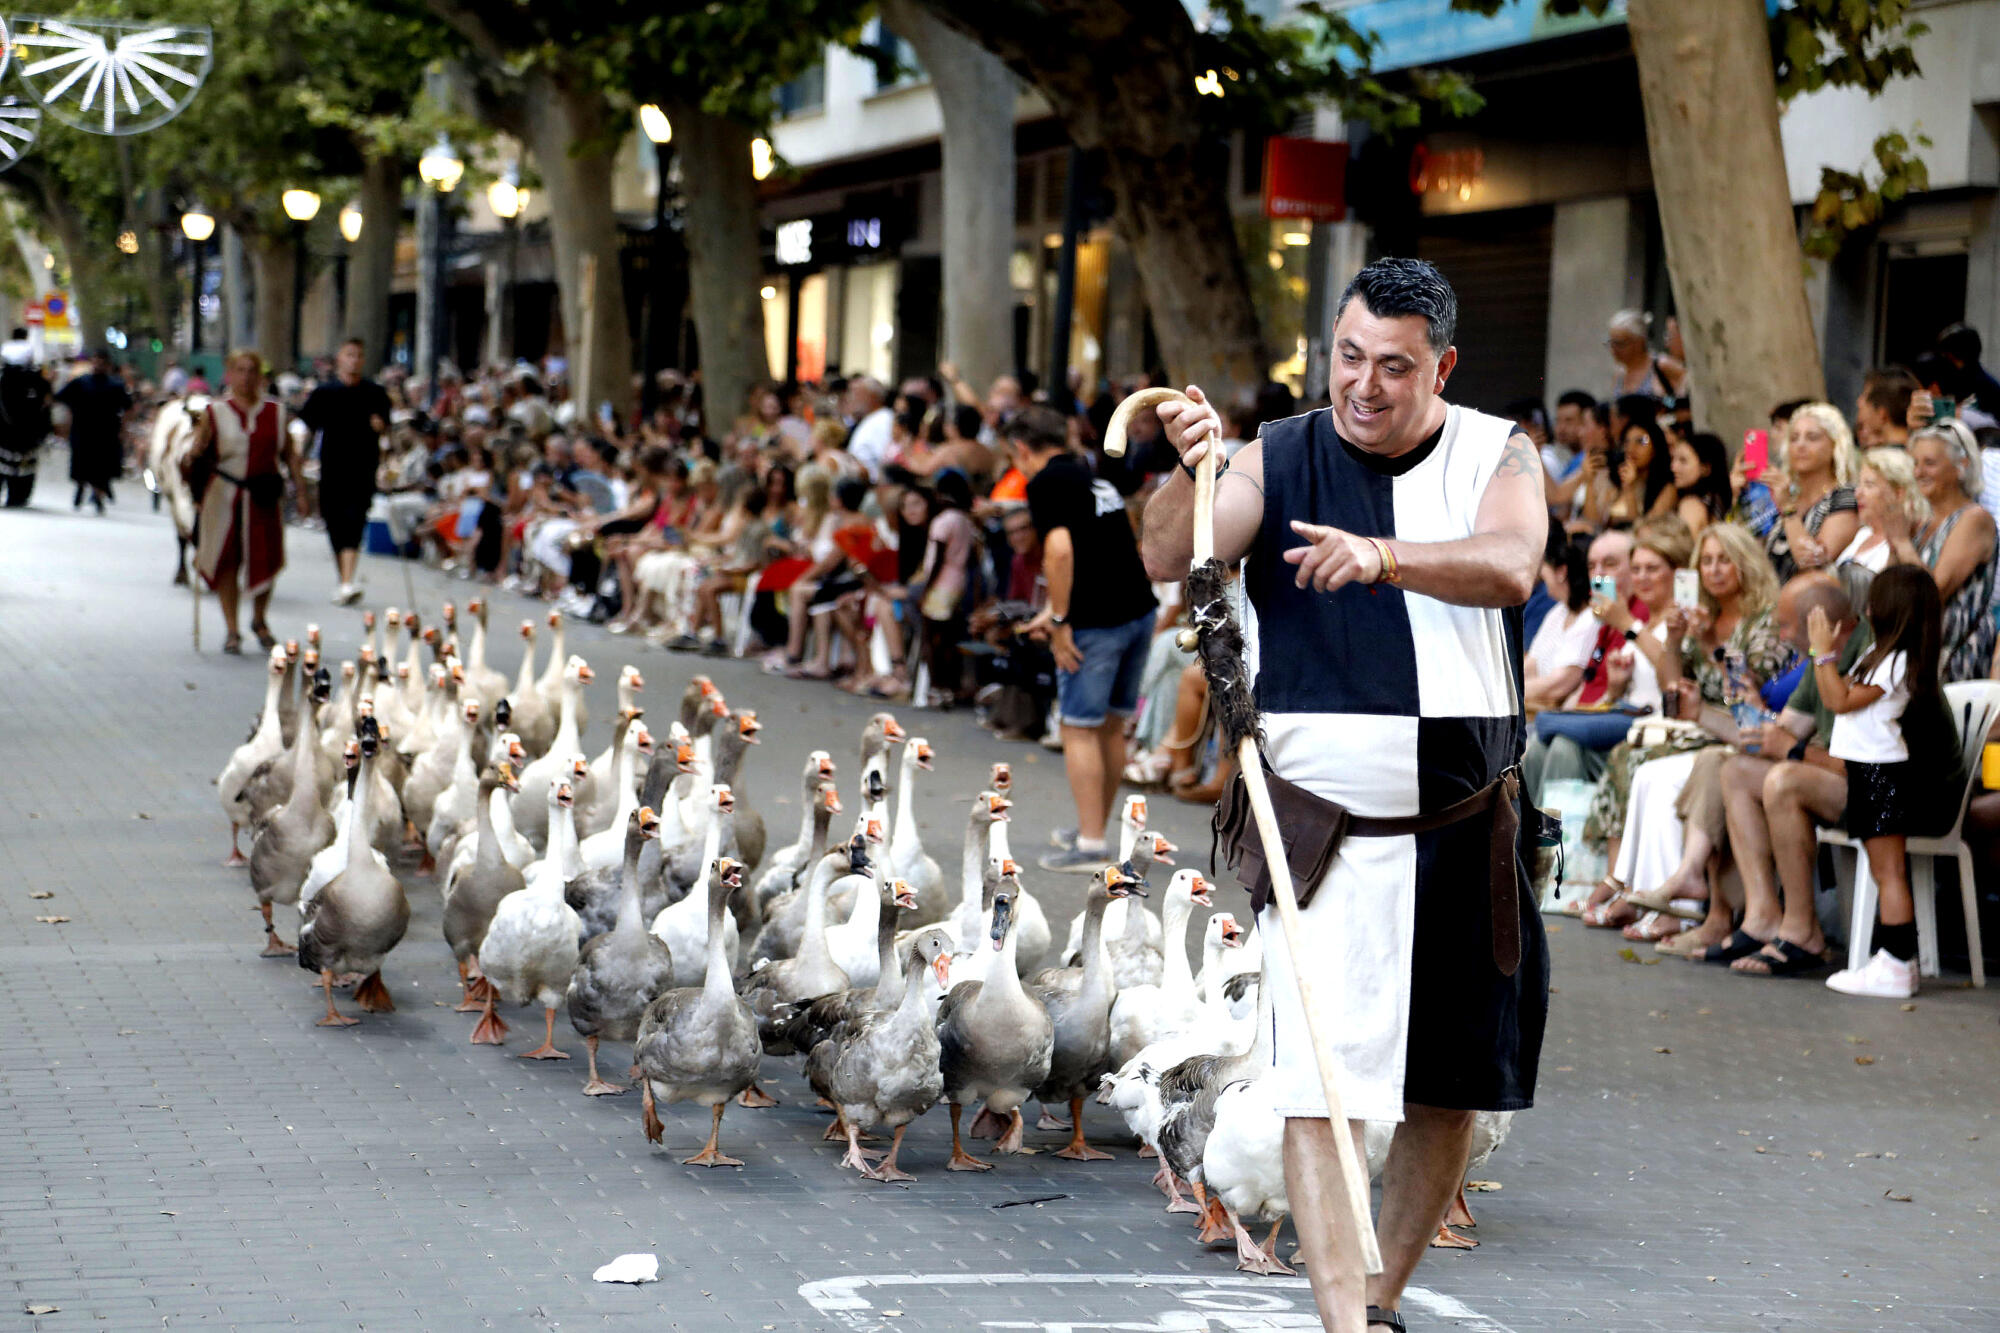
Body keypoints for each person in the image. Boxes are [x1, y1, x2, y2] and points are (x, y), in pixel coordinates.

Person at [1143, 257, 1548, 1331]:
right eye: (1349, 357)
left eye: (1394, 367)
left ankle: (1378, 1299)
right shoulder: (1277, 452)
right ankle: (1341, 1323)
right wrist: (1190, 469)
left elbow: (1512, 564)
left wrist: (1380, 556)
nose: (1364, 384)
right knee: (1316, 1095)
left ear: (1442, 368)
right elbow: (1171, 554)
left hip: (1464, 825)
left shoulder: (1496, 448)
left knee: (1445, 1092)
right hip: (1319, 840)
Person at [1006, 404, 1160, 874]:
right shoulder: (1090, 473)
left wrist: (1060, 621)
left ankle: (1092, 844)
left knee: (1078, 727)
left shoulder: (1045, 483)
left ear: (1021, 449)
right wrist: (1055, 610)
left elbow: (1059, 551)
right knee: (1110, 725)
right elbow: (1100, 548)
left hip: (1096, 623)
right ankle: (1093, 828)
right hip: (1137, 610)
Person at [1818, 566, 1956, 998]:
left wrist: (1821, 653)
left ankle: (1896, 962)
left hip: (1882, 774)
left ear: (1891, 609)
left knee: (1889, 872)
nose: (1868, 608)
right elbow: (1840, 693)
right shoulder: (1880, 656)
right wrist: (1829, 656)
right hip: (1869, 770)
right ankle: (1897, 962)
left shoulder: (1896, 661)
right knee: (1885, 871)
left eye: (1875, 600)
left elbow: (1838, 700)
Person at [187, 350, 302, 654]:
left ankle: (260, 620)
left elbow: (290, 455)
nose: (247, 376)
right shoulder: (215, 412)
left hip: (263, 495)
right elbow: (198, 452)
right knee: (228, 561)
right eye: (240, 370)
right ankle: (232, 628)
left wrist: (302, 492)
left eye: (253, 370)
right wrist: (193, 464)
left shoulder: (276, 413)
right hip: (224, 496)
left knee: (266, 558)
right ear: (230, 373)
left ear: (260, 375)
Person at [1888, 421, 1997, 682]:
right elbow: (1890, 589)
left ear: (1961, 466)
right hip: (1915, 652)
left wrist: (1902, 543)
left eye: (1930, 463)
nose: (1919, 472)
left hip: (1955, 657)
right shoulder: (1922, 523)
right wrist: (1895, 543)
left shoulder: (1974, 519)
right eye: (1915, 463)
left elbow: (1933, 591)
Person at [297, 337, 393, 605]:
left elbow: (387, 427)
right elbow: (308, 428)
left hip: (363, 468)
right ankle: (345, 581)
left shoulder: (375, 393)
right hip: (331, 468)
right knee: (334, 522)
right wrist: (300, 460)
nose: (354, 360)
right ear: (340, 358)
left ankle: (348, 581)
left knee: (354, 520)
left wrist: (380, 428)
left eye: (359, 355)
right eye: (349, 355)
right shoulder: (324, 393)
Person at [1761, 401, 1860, 582]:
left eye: (1812, 438)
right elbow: (1750, 552)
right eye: (1794, 438)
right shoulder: (1786, 494)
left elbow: (1812, 563)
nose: (1800, 445)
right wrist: (1739, 496)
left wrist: (1788, 509)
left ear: (1835, 445)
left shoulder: (1845, 496)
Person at [1523, 536, 1598, 711]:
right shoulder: (1557, 611)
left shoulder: (1592, 618)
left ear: (1561, 572)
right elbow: (1531, 665)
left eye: (1545, 568)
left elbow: (1560, 685)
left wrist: (1507, 694)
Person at [55, 348, 133, 513]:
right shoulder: (80, 382)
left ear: (107, 365)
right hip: (82, 430)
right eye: (96, 361)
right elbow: (62, 398)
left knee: (102, 467)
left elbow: (128, 408)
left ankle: (98, 496)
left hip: (106, 433)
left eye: (102, 362)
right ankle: (80, 488)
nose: (98, 365)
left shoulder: (115, 385)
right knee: (81, 464)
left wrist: (123, 429)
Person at [0, 331, 51, 507]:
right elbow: (45, 406)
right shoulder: (36, 379)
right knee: (24, 466)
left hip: (8, 432)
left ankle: (16, 494)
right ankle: (18, 496)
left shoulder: (5, 376)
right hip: (27, 432)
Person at [1607, 415, 1675, 525]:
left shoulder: (1667, 488)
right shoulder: (1616, 479)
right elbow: (1598, 522)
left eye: (1641, 441)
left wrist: (1629, 489)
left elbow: (1641, 529)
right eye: (1627, 442)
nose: (1631, 449)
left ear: (1655, 446)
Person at [1606, 309, 1686, 402]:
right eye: (1611, 343)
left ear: (1638, 343)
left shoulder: (1662, 365)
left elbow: (1683, 400)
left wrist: (1664, 402)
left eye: (1620, 344)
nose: (1613, 350)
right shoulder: (1619, 374)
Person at [1669, 432, 1733, 535]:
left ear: (1705, 468)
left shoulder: (1691, 506)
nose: (1673, 467)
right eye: (1673, 459)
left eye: (1683, 461)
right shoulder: (1716, 501)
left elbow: (1683, 544)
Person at [843, 376, 895, 481]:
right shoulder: (872, 418)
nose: (851, 398)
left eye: (856, 393)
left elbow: (886, 460)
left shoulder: (883, 420)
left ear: (872, 396)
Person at [1855, 367, 1918, 448]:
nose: (1859, 402)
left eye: (1867, 398)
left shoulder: (1879, 456)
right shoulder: (1920, 450)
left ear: (1882, 414)